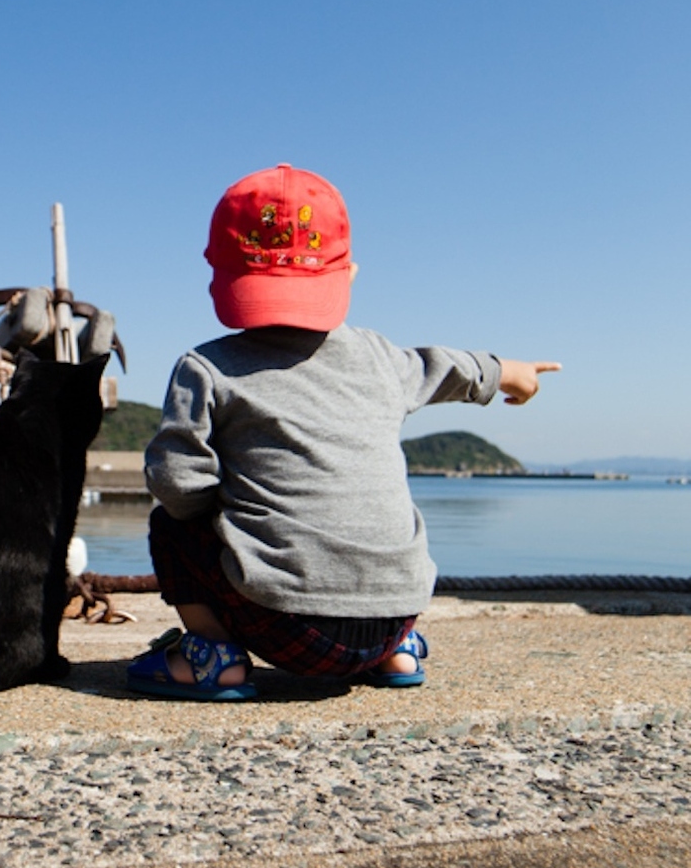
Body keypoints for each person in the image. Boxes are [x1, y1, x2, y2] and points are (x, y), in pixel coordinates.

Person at [127, 163, 560, 703]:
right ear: (348, 274)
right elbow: (447, 366)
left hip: (281, 627)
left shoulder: (207, 368)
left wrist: (225, 516)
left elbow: (175, 481)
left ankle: (213, 656)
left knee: (170, 525)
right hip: (396, 618)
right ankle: (396, 657)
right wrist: (506, 371)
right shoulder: (381, 358)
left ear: (219, 270)